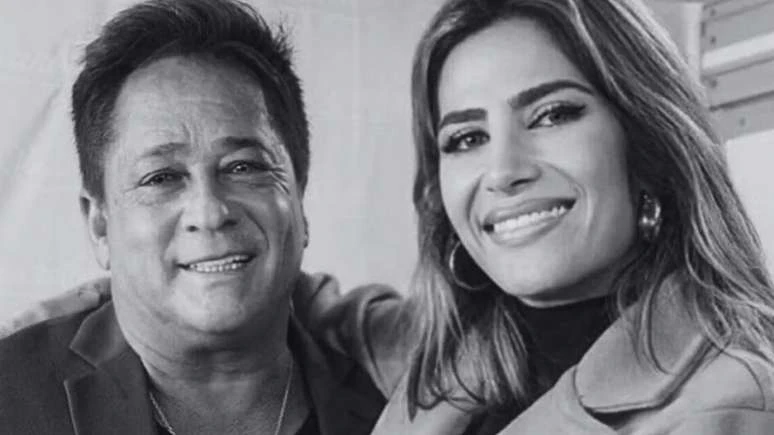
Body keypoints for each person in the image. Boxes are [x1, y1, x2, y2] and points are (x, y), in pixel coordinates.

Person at [7, 0, 774, 433]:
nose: (504, 169)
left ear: (648, 140)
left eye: (552, 114)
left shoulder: (734, 401)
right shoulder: (439, 352)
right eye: (465, 137)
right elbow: (288, 293)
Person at [0, 0, 385, 433]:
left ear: (299, 196)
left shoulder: (397, 400)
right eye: (161, 177)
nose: (210, 211)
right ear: (100, 225)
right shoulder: (11, 397)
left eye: (243, 167)